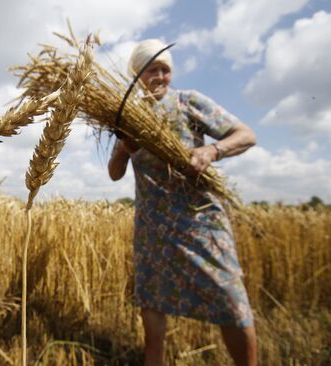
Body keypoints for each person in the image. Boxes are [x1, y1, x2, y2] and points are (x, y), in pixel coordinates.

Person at [108, 39, 257, 366]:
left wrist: (211, 151)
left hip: (200, 221)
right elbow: (115, 174)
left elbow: (246, 134)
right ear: (137, 75)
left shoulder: (189, 101)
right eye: (152, 70)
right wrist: (122, 148)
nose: (160, 76)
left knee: (231, 301)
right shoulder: (129, 117)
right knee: (152, 300)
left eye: (165, 70)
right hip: (154, 227)